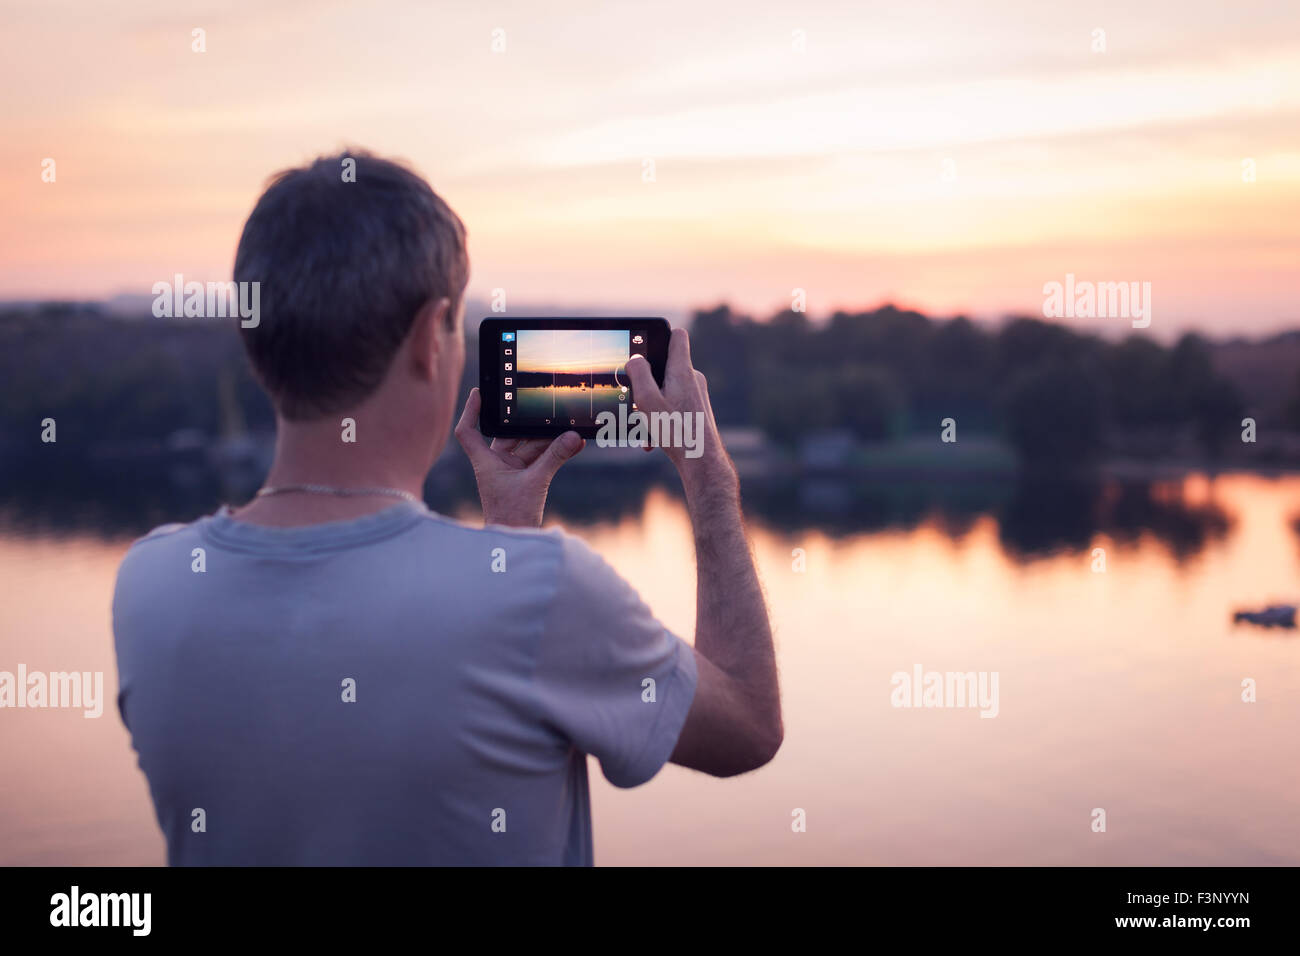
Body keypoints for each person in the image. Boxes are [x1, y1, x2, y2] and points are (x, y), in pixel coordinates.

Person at [111, 151, 782, 865]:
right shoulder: (545, 594)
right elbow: (748, 724)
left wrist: (506, 541)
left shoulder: (152, 584)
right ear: (432, 340)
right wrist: (709, 478)